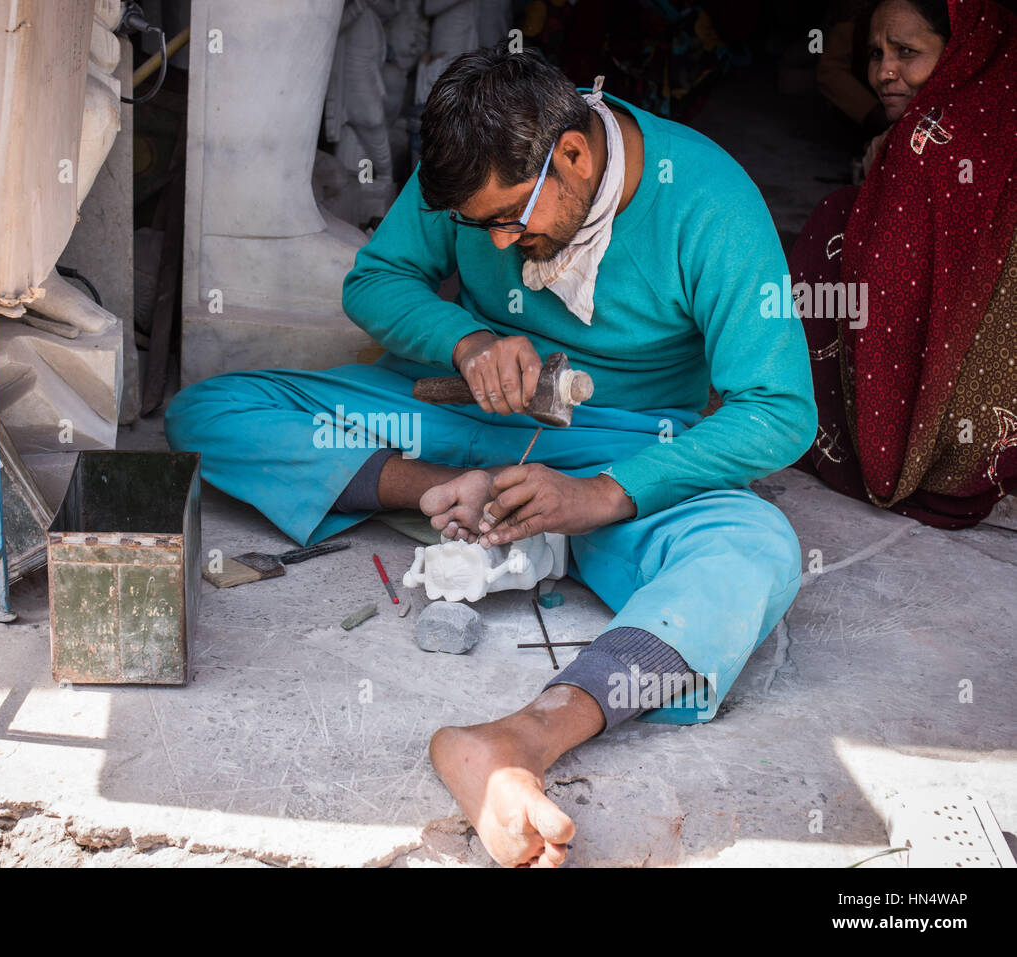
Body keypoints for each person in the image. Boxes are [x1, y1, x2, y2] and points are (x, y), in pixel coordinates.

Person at [166, 45, 817, 866]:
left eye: (512, 218)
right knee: (210, 410)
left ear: (573, 156)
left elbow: (781, 411)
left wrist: (608, 493)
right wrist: (465, 340)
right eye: (482, 228)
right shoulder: (479, 160)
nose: (502, 243)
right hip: (459, 414)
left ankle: (519, 739)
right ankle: (457, 495)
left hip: (623, 445)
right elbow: (377, 280)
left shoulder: (710, 202)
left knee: (754, 548)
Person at [791, 0, 1017, 528]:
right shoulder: (995, 119)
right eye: (876, 54)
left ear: (961, 51)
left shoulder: (926, 146)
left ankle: (880, 443)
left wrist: (884, 177)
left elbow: (893, 291)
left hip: (940, 445)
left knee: (836, 216)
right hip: (992, 436)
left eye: (907, 53)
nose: (885, 72)